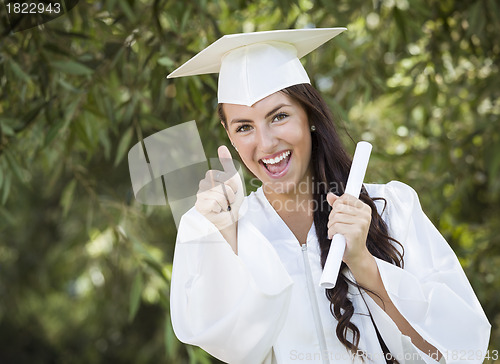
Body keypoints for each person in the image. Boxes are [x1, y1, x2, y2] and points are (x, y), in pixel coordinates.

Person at [167, 28, 491, 364]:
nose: (264, 144)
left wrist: (364, 263)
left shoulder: (392, 208)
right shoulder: (226, 228)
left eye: (279, 116)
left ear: (309, 116)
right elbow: (233, 349)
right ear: (229, 136)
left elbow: (457, 350)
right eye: (244, 127)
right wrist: (231, 239)